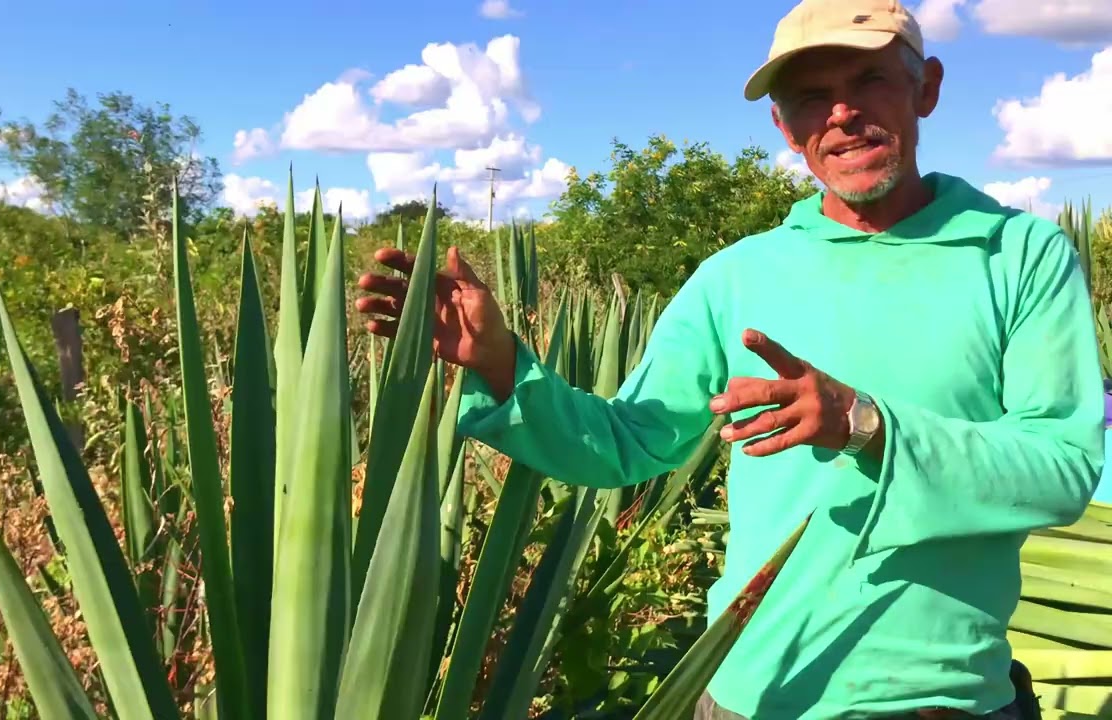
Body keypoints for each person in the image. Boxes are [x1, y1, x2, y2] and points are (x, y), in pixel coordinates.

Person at [355, 0, 1104, 716]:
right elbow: (628, 443)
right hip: (744, 691)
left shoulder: (1017, 256)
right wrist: (500, 364)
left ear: (926, 88)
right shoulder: (739, 276)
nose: (841, 114)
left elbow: (1063, 468)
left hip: (938, 700)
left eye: (869, 80)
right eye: (812, 97)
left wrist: (865, 425)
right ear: (785, 126)